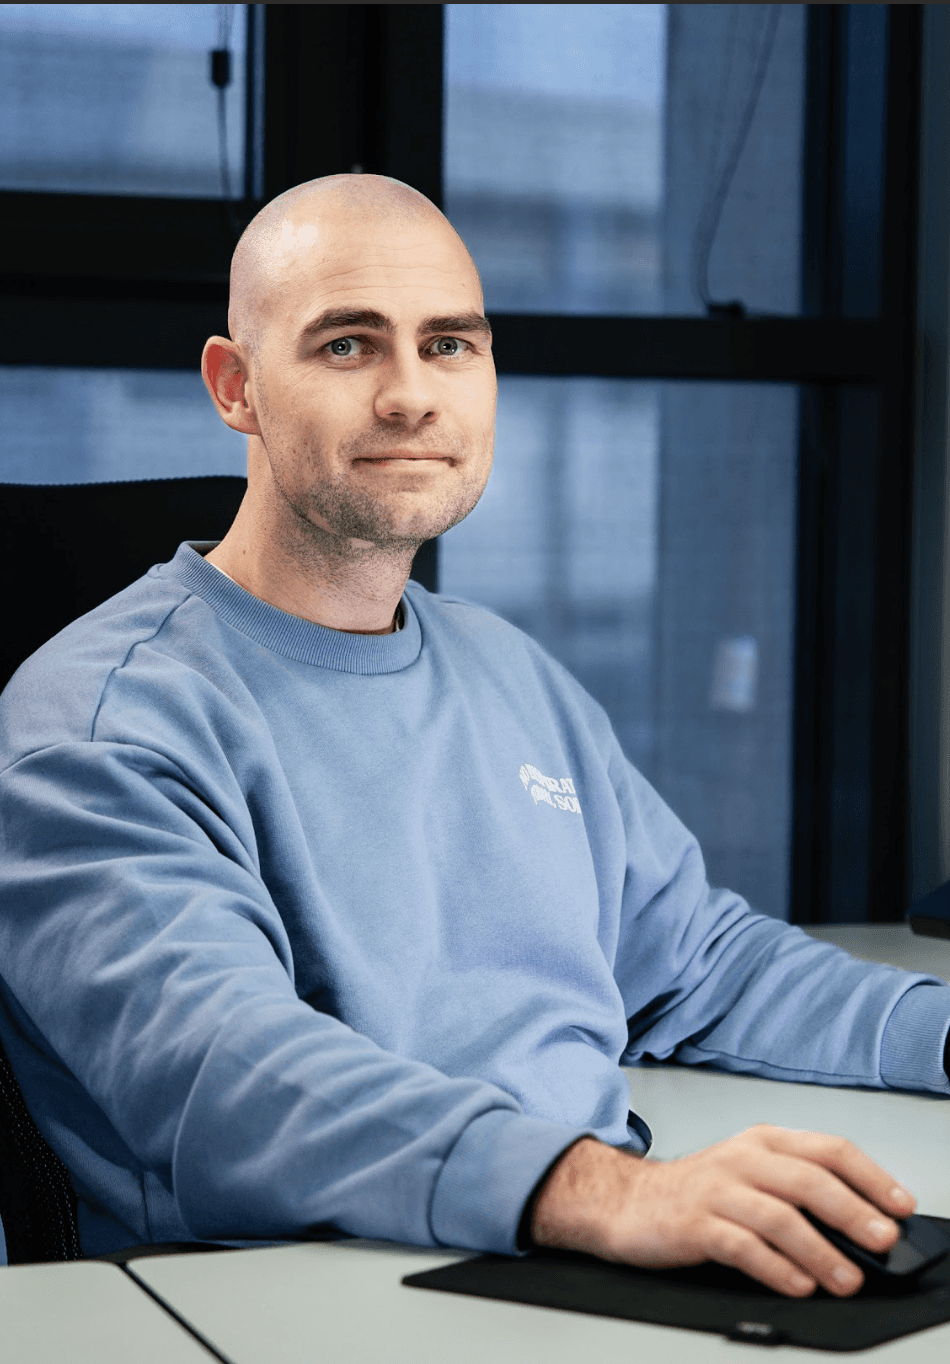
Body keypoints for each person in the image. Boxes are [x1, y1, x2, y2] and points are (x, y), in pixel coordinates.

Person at [0, 175, 947, 1297]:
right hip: (303, 1290)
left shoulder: (506, 670)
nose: (411, 394)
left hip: (571, 1248)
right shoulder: (102, 723)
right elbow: (227, 1078)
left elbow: (697, 964)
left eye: (449, 344)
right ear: (235, 385)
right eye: (348, 345)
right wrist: (605, 1191)